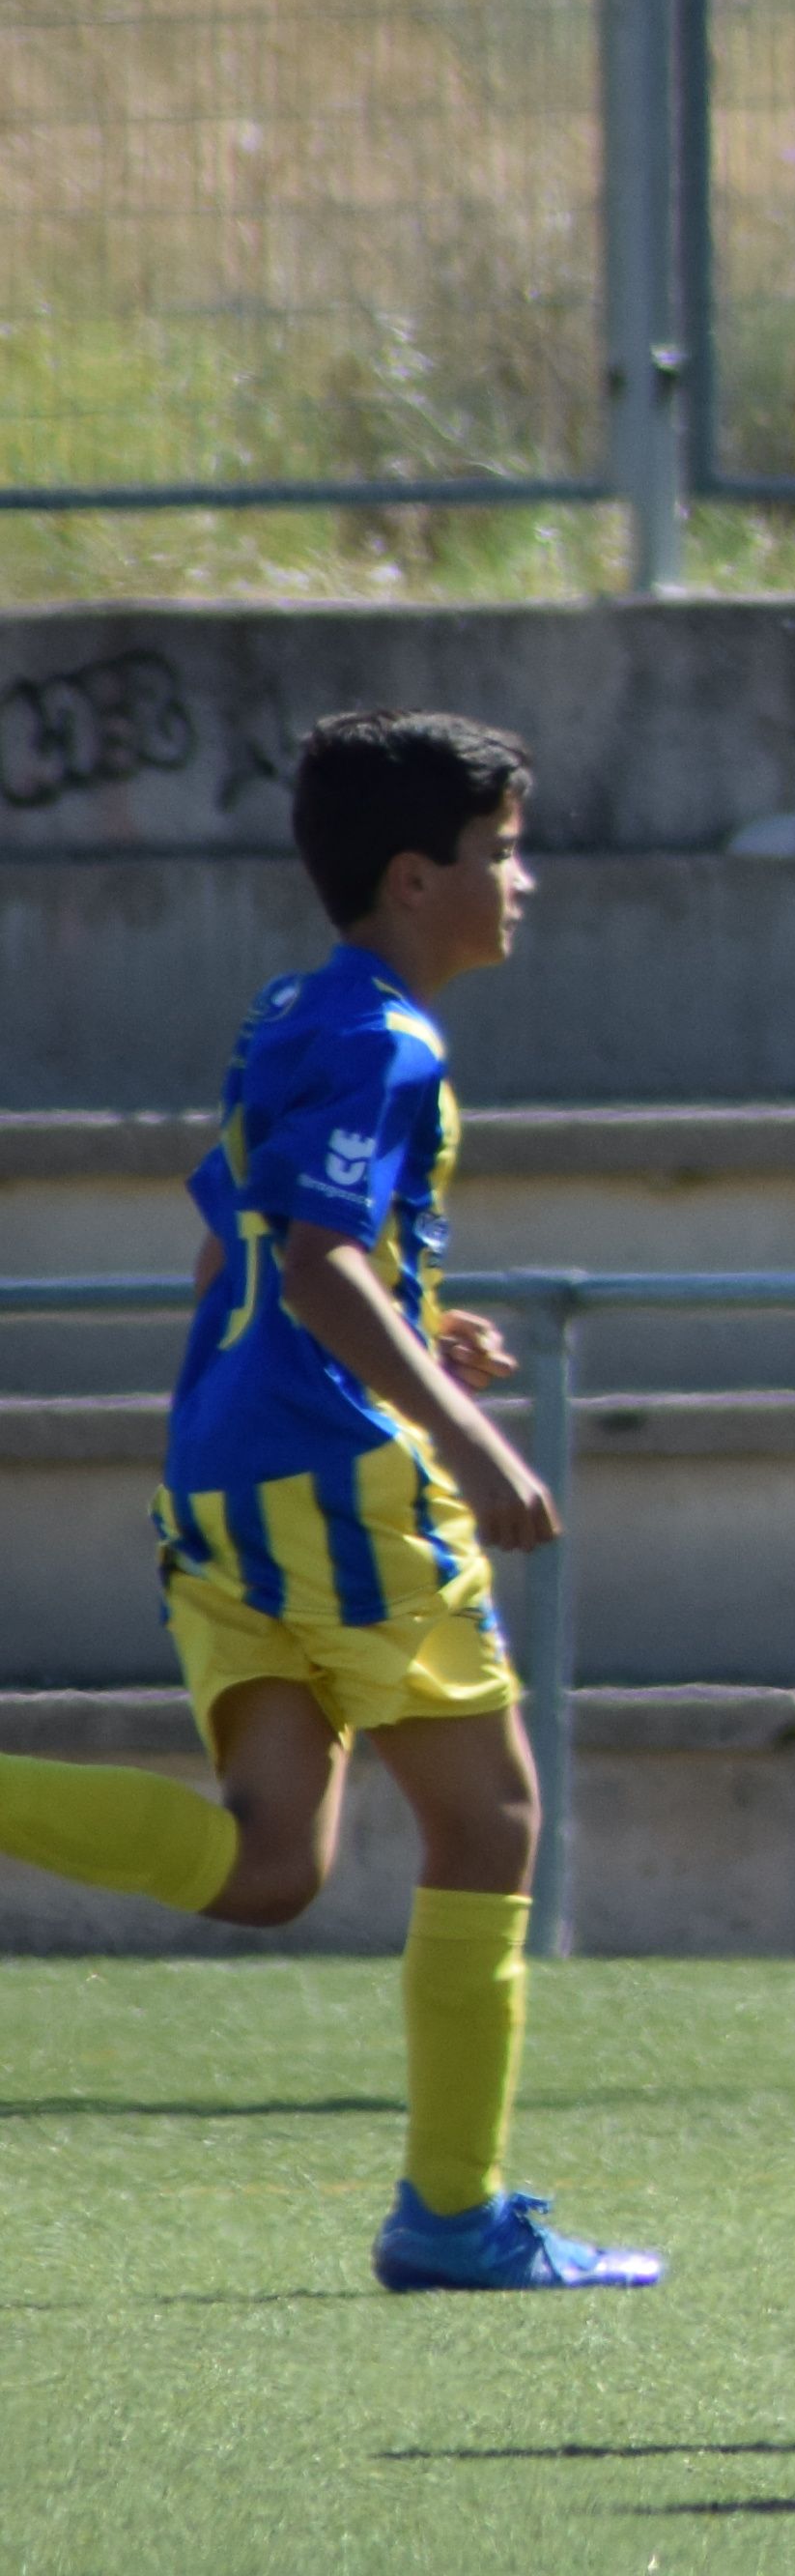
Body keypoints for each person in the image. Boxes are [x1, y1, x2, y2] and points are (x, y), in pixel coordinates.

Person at [0, 711, 655, 2292]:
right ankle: (452, 2214)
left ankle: (452, 2209)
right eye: (503, 854)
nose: (526, 882)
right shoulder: (387, 1041)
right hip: (331, 1473)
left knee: (272, 1862)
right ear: (418, 875)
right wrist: (469, 1438)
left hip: (220, 1470)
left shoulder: (295, 1011)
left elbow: (256, 1244)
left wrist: (424, 1328)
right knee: (490, 1817)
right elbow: (315, 1261)